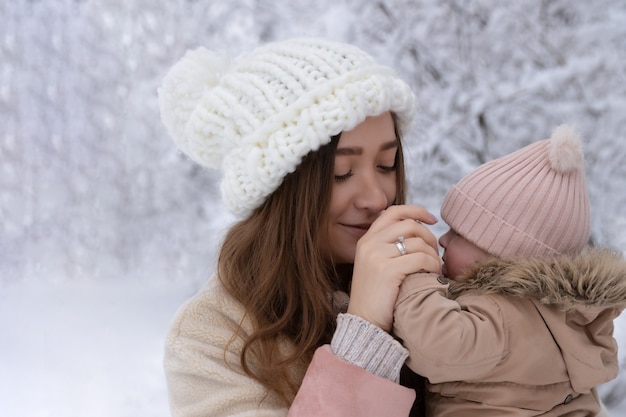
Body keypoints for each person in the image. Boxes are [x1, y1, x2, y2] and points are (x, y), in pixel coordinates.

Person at [157, 37, 442, 417]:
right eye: (342, 173)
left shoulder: (432, 288)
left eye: (387, 165)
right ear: (280, 187)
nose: (375, 198)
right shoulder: (211, 337)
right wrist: (365, 334)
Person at [392, 125, 626, 416]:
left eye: (459, 234)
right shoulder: (557, 317)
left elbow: (432, 345)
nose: (442, 239)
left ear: (503, 256)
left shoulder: (502, 312)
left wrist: (415, 277)